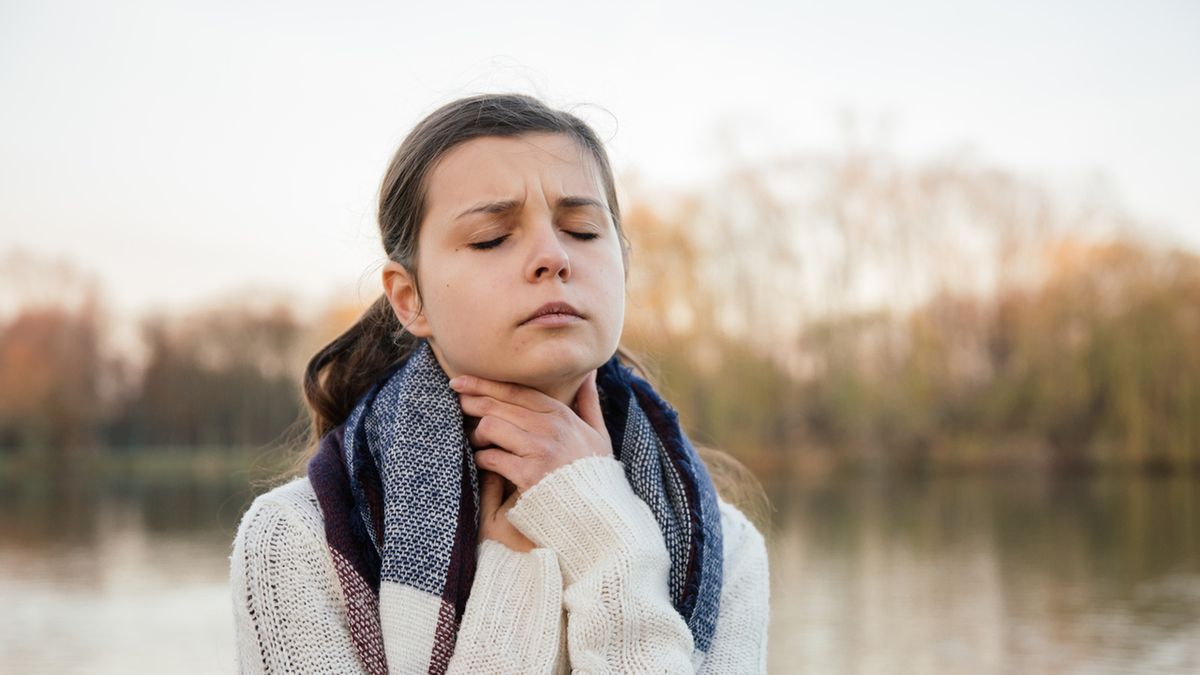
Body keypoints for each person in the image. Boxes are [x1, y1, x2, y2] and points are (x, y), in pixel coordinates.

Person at [230, 93, 770, 674]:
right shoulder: (299, 541)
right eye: (492, 237)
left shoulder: (723, 547)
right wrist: (513, 580)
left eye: (583, 230)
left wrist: (608, 541)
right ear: (410, 299)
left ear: (624, 265)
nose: (553, 256)